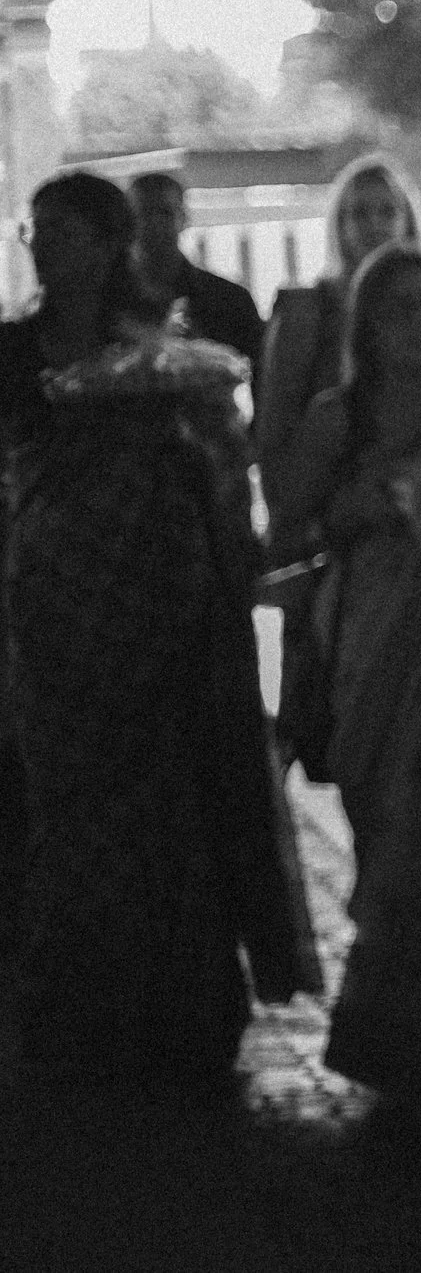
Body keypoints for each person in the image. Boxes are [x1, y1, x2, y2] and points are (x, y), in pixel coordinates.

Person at [2, 171, 314, 1083]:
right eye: (36, 231)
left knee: (171, 810)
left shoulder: (165, 354)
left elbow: (217, 472)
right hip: (53, 615)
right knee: (69, 811)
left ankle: (180, 1019)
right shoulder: (12, 356)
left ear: (108, 244)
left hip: (159, 613)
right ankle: (77, 1022)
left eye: (62, 230)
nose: (44, 247)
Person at [261, 244, 421, 1109]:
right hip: (371, 637)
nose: (417, 322)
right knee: (386, 827)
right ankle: (399, 1039)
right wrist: (365, 503)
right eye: (396, 308)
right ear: (366, 326)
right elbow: (290, 517)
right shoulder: (343, 414)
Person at [257, 154, 421, 473]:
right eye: (360, 213)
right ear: (341, 225)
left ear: (407, 222)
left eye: (387, 211)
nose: (375, 225)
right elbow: (275, 428)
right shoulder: (306, 310)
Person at [130, 170, 263, 362]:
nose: (154, 223)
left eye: (164, 213)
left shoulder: (230, 301)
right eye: (144, 213)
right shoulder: (108, 300)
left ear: (183, 219)